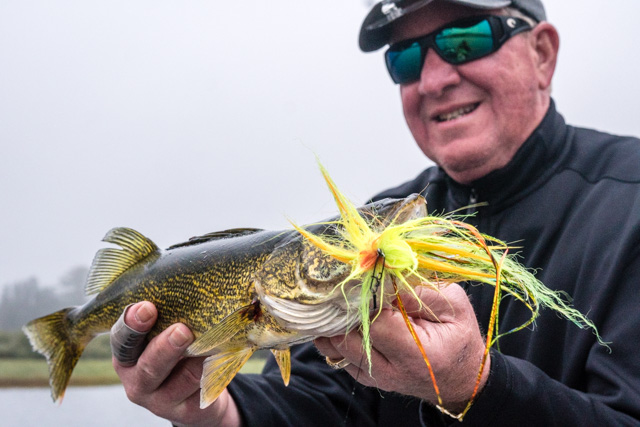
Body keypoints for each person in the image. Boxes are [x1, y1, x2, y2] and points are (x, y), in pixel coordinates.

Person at [111, 0, 640, 425]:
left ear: (543, 53)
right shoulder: (370, 229)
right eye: (405, 58)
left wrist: (476, 385)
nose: (433, 79)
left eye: (465, 38)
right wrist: (222, 413)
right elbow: (333, 400)